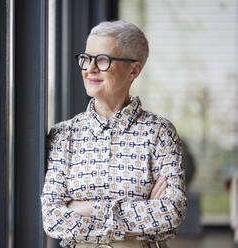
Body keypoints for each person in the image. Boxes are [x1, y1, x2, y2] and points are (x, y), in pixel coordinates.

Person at [41, 20, 187, 248]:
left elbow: (171, 212)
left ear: (134, 70)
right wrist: (141, 213)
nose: (89, 68)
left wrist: (86, 208)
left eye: (102, 60)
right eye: (86, 59)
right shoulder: (63, 135)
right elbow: (52, 219)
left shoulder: (159, 132)